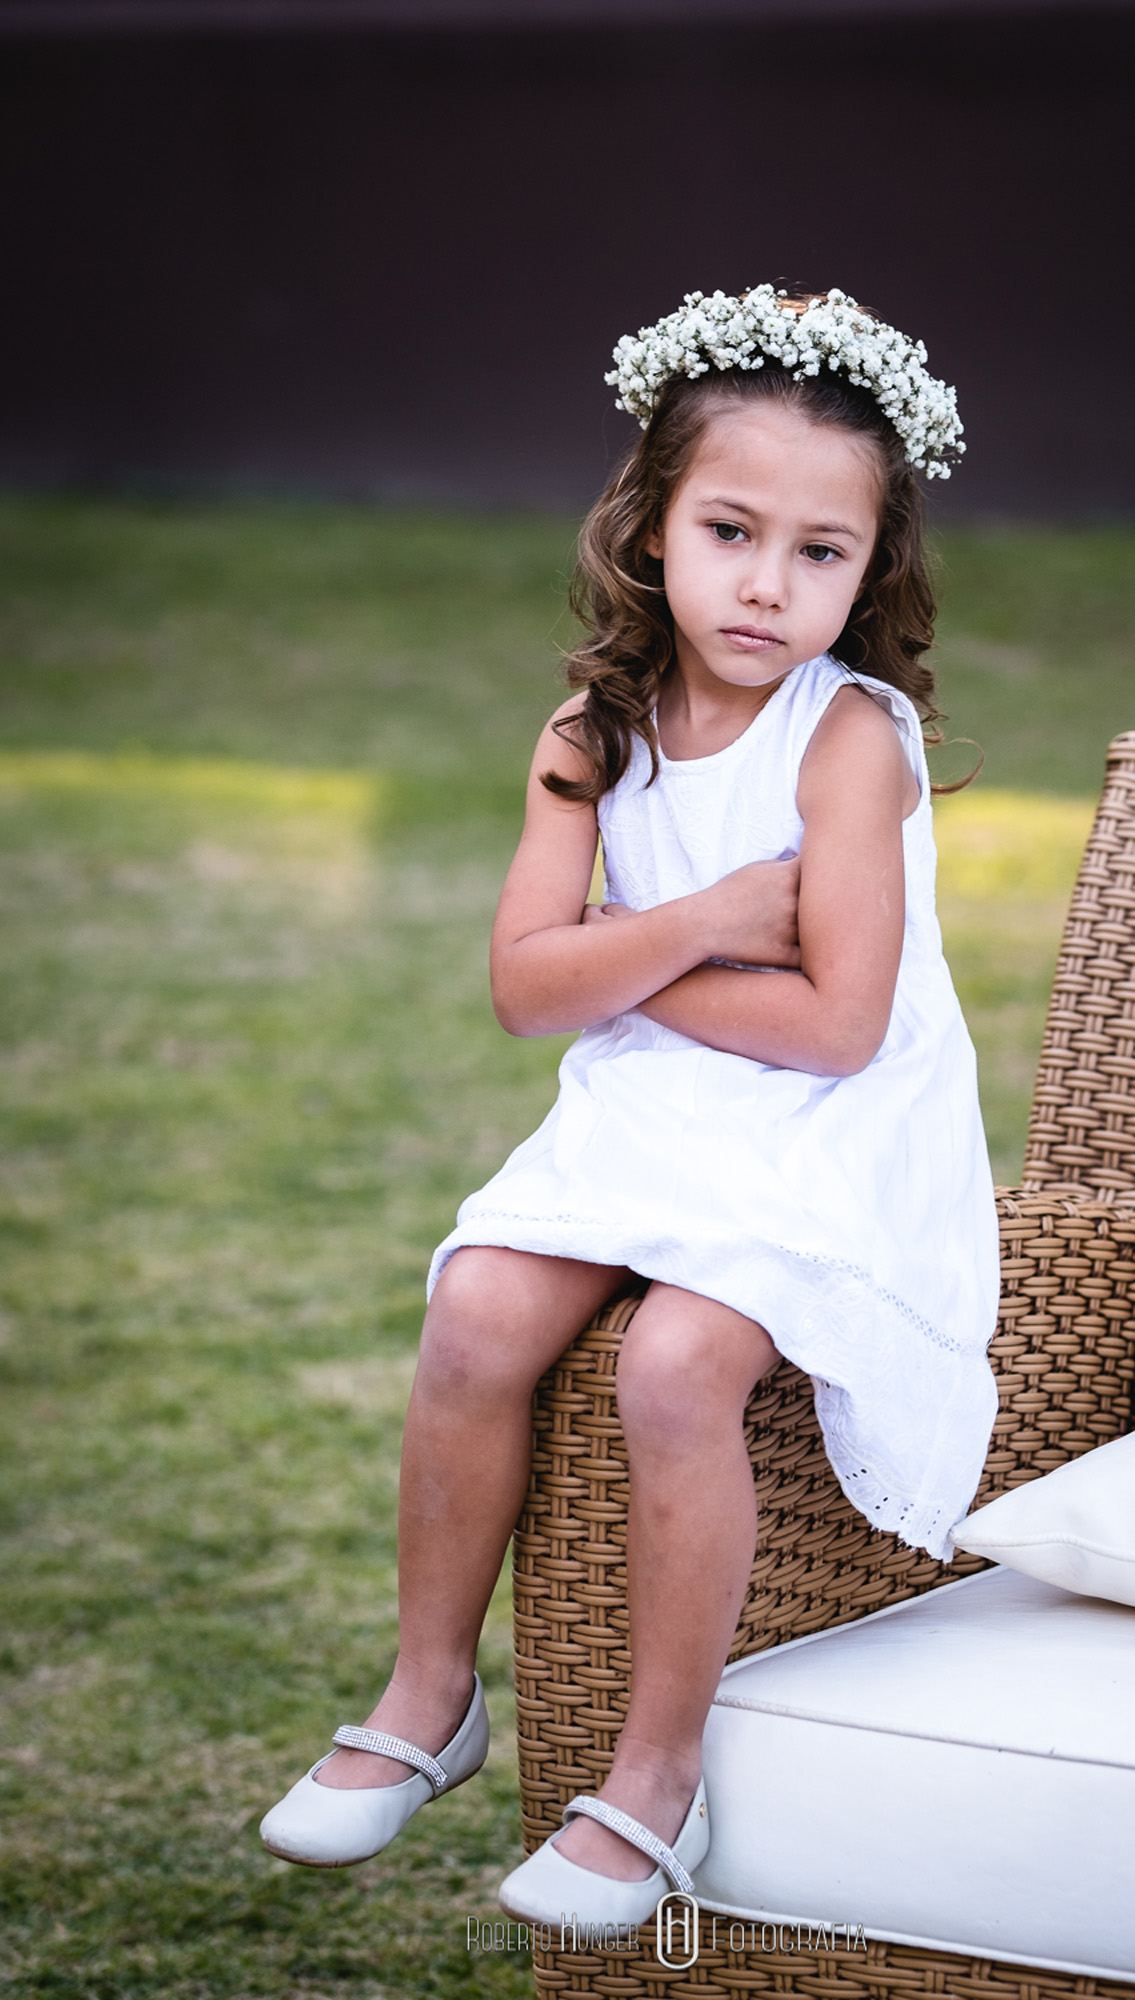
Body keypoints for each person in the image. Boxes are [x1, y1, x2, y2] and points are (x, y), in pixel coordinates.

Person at [260, 286, 1000, 1924]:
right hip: (656, 1100)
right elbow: (523, 992)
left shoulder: (847, 744)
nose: (766, 581)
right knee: (472, 1309)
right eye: (729, 529)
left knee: (675, 1364)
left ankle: (655, 1778)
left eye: (821, 551)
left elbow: (832, 1022)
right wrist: (690, 924)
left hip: (833, 1123)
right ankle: (428, 1694)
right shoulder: (588, 733)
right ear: (646, 526)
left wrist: (610, 957)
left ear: (869, 571)